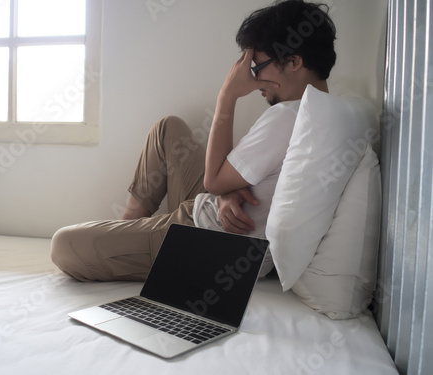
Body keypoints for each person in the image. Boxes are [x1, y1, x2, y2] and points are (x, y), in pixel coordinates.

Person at [51, 0, 337, 282]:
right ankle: (131, 228)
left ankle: (132, 237)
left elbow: (213, 181)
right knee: (168, 129)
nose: (254, 78)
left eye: (258, 66)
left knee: (64, 245)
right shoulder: (328, 111)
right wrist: (225, 193)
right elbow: (229, 183)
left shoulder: (286, 117)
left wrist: (227, 96)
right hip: (220, 214)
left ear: (294, 61)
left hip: (209, 240)